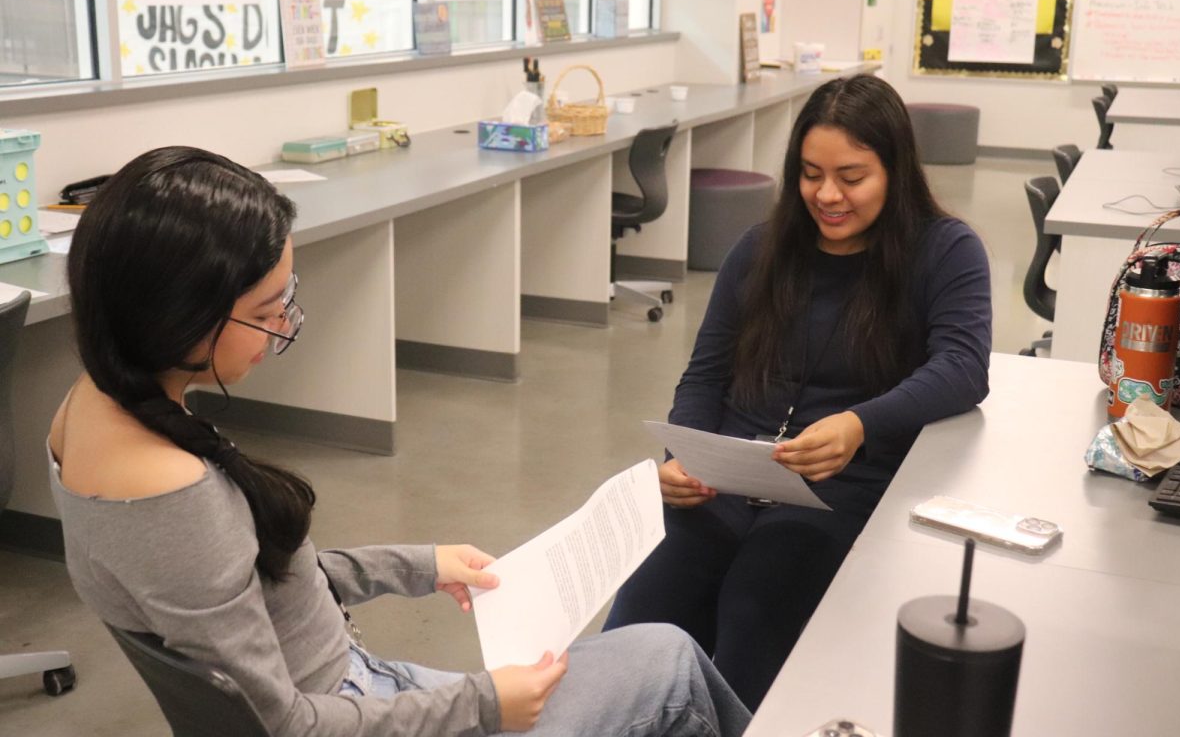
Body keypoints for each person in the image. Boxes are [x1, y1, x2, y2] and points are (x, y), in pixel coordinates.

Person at [48, 146, 751, 737]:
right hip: (354, 710)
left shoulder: (86, 413)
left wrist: (416, 564)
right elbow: (289, 726)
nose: (285, 328)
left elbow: (245, 581)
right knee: (669, 658)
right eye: (268, 312)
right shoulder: (176, 497)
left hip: (363, 689)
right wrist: (484, 705)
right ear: (178, 316)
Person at [603, 74, 992, 710]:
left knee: (757, 606)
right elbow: (705, 376)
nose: (828, 194)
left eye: (852, 176)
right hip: (727, 478)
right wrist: (684, 458)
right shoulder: (760, 250)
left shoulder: (944, 251)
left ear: (895, 170)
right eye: (811, 174)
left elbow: (963, 366)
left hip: (839, 488)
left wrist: (859, 424)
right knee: (646, 606)